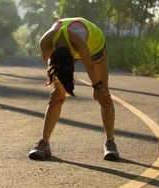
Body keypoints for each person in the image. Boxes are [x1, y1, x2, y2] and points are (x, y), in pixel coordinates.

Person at [28, 17, 120, 161]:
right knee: (57, 95)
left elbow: (90, 67)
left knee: (103, 94)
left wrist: (97, 87)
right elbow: (51, 67)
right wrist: (59, 85)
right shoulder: (45, 43)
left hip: (94, 47)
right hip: (66, 48)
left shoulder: (79, 42)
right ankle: (44, 143)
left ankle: (110, 142)